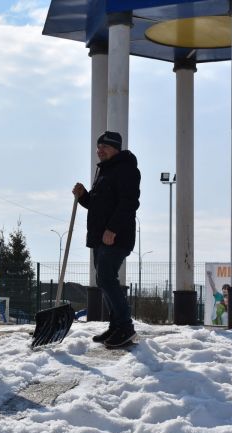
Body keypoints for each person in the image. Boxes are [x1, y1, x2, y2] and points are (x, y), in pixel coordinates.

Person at [72, 131, 140, 348]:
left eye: (105, 147)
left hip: (115, 237)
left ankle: (126, 327)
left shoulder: (126, 169)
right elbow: (97, 204)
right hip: (99, 238)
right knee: (104, 280)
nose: (99, 150)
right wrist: (84, 195)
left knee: (107, 279)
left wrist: (112, 229)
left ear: (116, 149)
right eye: (98, 147)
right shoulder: (103, 171)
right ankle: (116, 326)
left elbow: (129, 203)